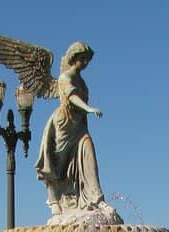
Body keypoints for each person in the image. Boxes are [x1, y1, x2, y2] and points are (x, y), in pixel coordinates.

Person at [35, 41, 117, 222]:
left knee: (89, 151)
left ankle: (97, 199)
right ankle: (54, 200)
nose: (86, 63)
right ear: (74, 58)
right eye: (83, 59)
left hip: (79, 126)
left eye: (88, 60)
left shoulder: (82, 81)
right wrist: (88, 108)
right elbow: (72, 97)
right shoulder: (64, 78)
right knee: (57, 165)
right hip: (63, 124)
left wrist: (85, 115)